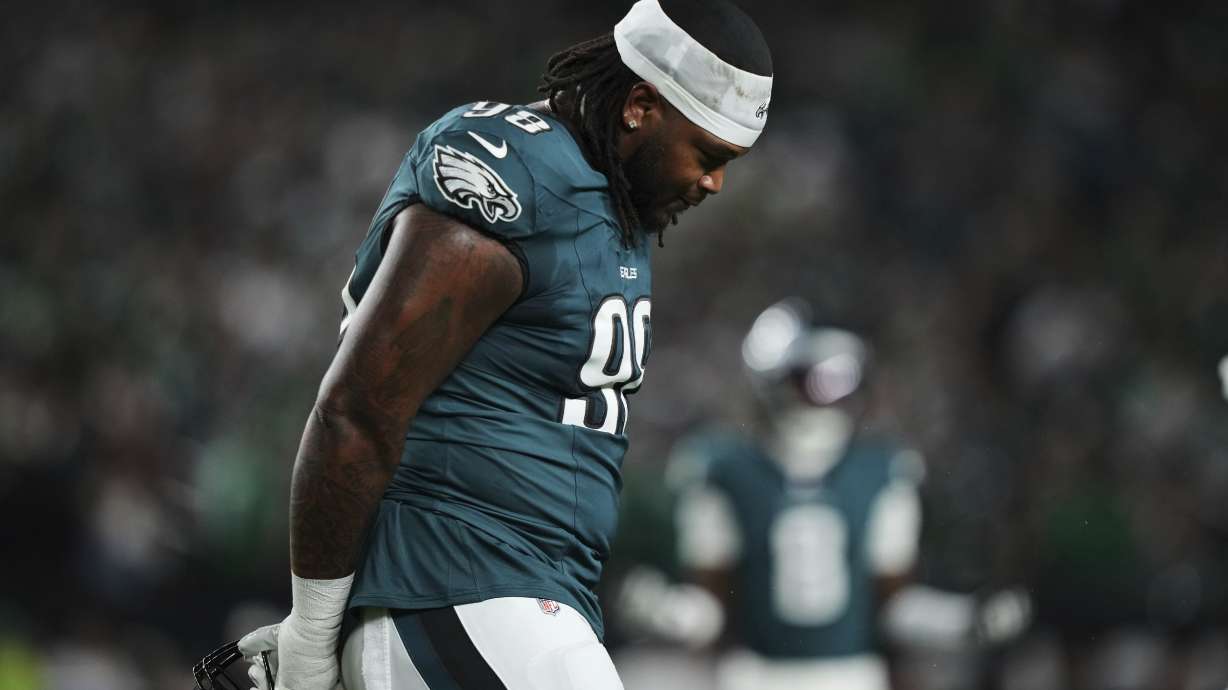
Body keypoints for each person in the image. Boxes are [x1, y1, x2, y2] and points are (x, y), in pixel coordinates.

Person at [224, 2, 775, 689]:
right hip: (457, 586)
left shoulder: (606, 196)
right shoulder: (519, 178)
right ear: (640, 105)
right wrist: (311, 630)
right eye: (708, 154)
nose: (714, 182)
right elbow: (356, 410)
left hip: (514, 595)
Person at [618, 298, 1030, 690]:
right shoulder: (726, 469)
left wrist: (964, 620)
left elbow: (894, 605)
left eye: (840, 378)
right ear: (777, 377)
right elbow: (709, 610)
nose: (826, 395)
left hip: (849, 677)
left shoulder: (881, 470)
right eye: (812, 379)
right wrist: (665, 611)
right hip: (757, 676)